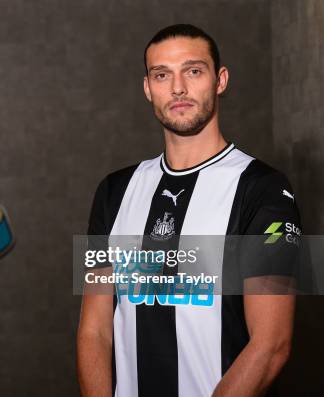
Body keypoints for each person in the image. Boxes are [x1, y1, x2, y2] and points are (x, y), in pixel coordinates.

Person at [77, 24, 301, 397]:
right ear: (148, 88)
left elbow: (271, 345)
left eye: (193, 71)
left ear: (220, 80)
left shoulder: (265, 189)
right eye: (162, 75)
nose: (177, 88)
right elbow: (93, 331)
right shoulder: (113, 190)